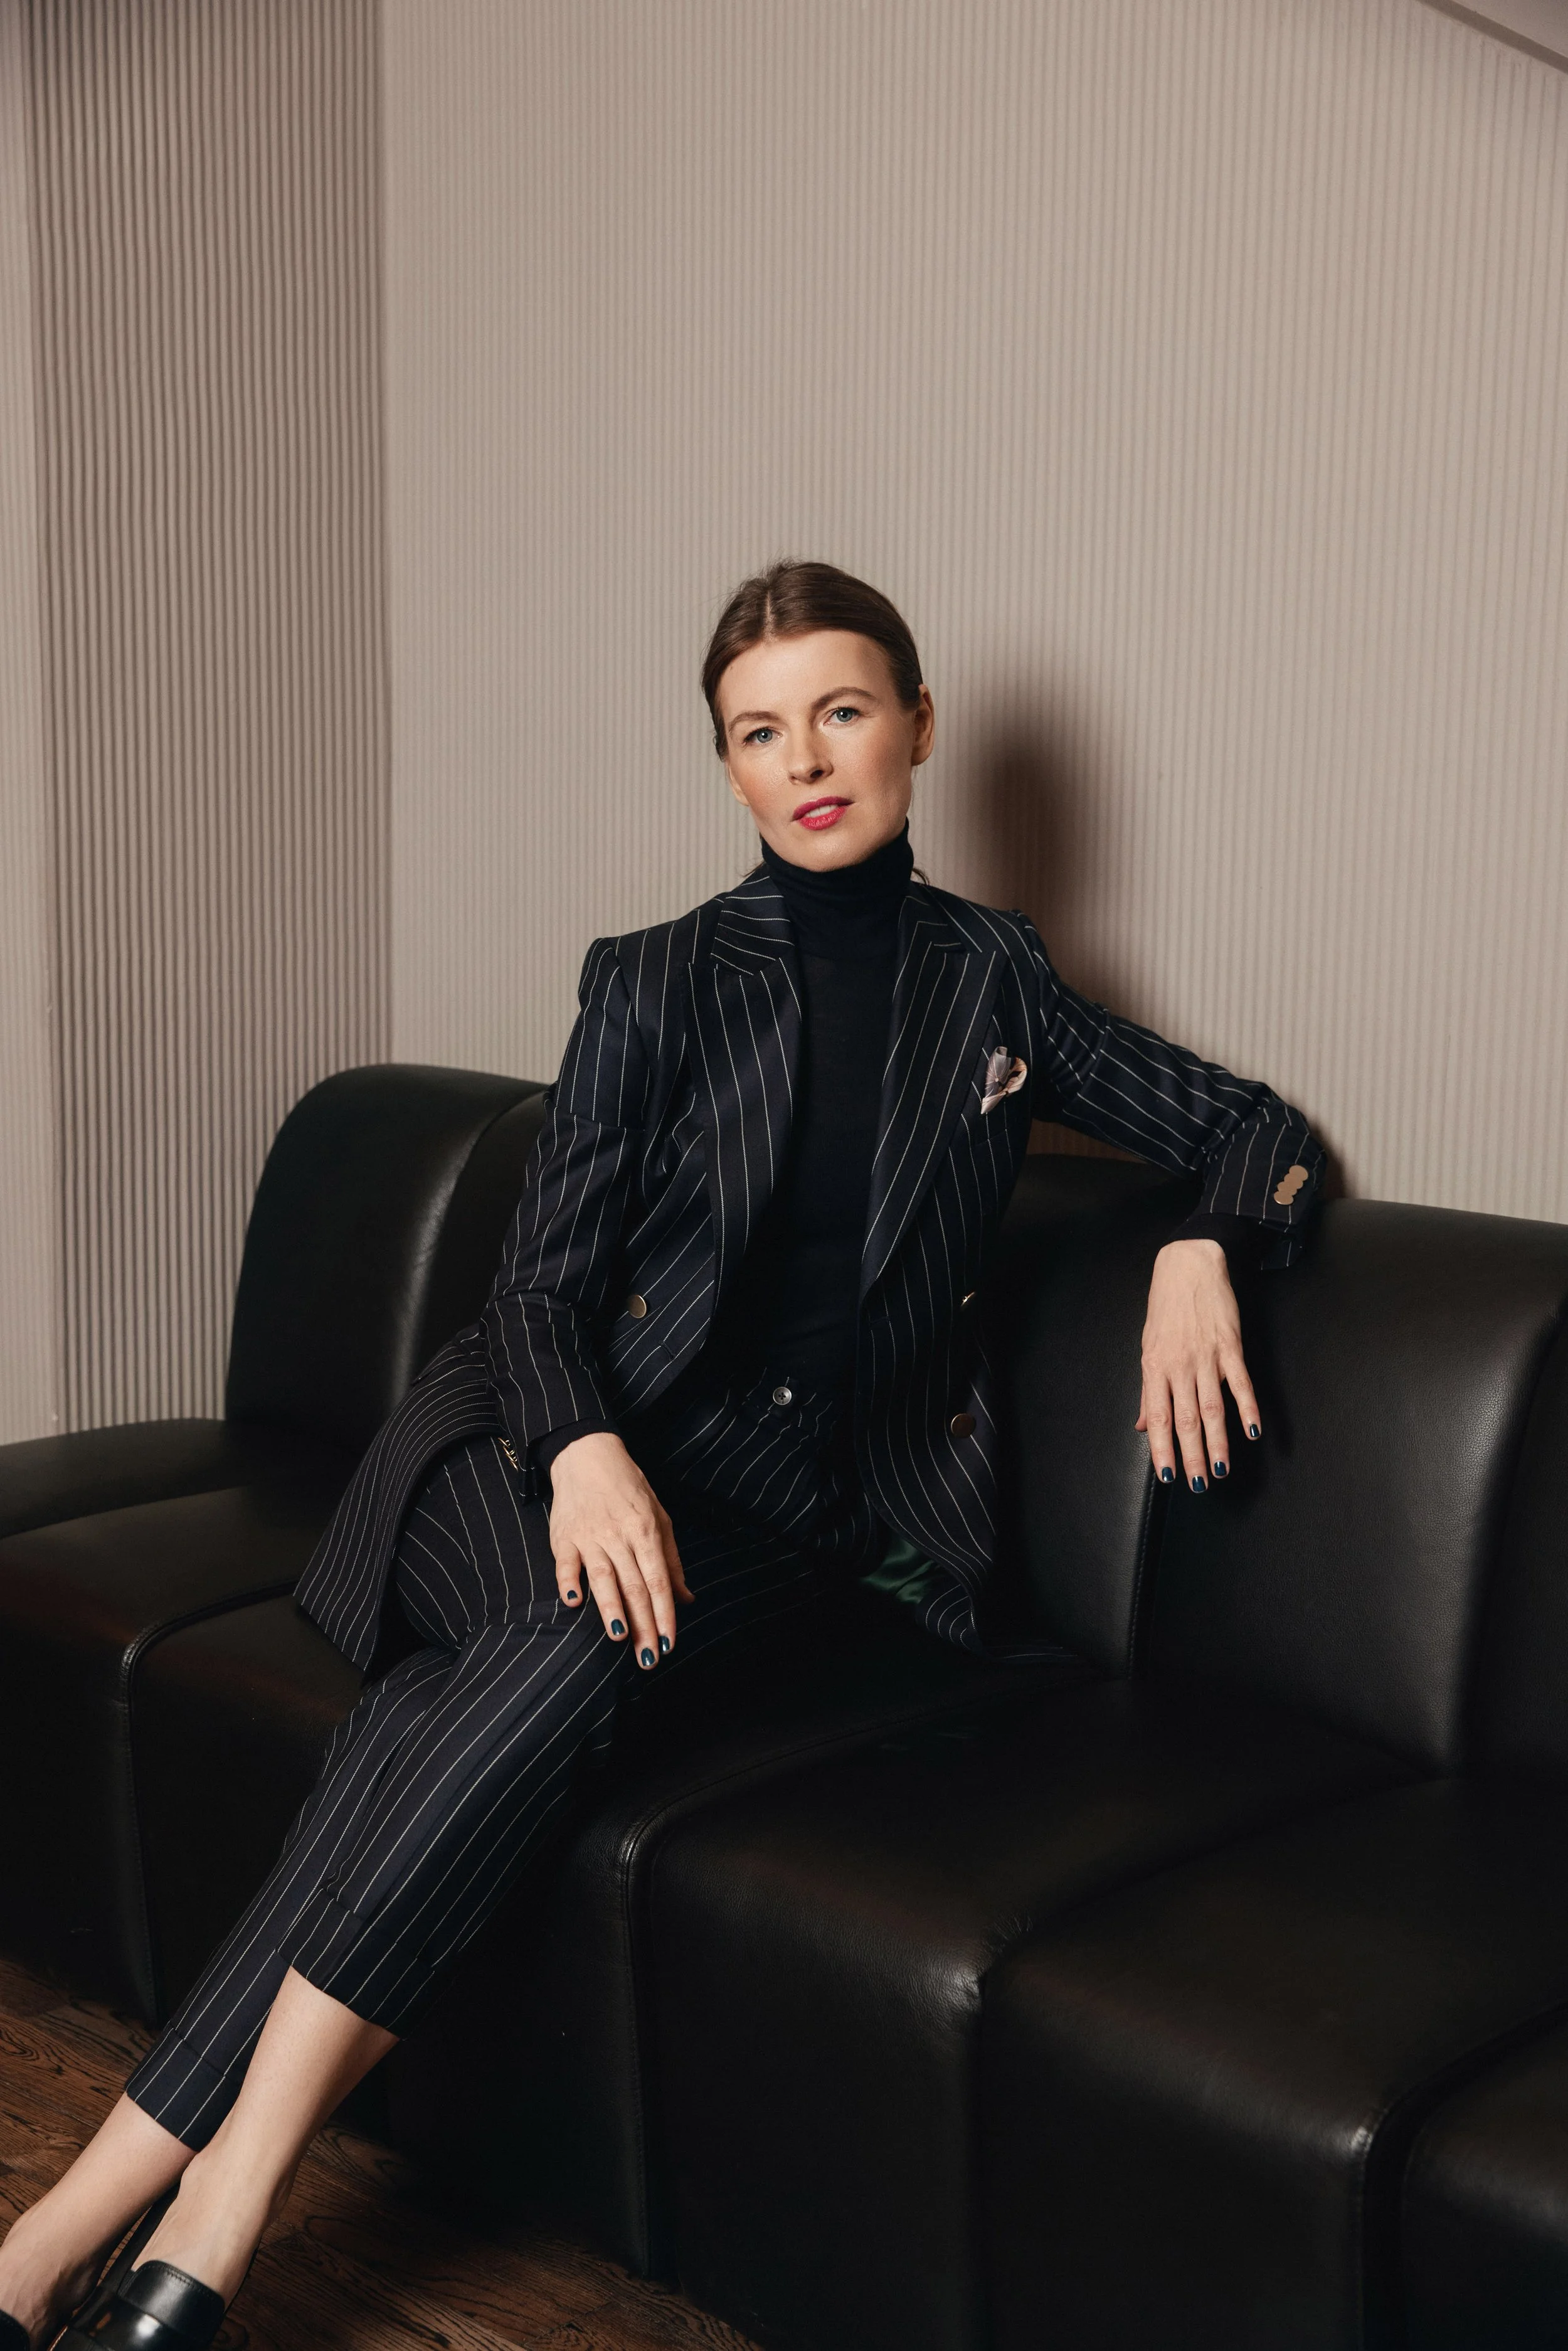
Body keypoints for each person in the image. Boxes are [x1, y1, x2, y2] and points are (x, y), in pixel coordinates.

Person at [0, 561, 1323, 2350]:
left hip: (783, 1529)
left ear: (918, 726)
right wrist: (584, 1453)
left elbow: (1246, 1125)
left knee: (452, 1710)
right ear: (727, 766)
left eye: (842, 712)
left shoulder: (991, 977)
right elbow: (537, 1289)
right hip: (523, 1448)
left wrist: (1201, 1246)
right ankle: (206, 2219)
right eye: (760, 733)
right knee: (563, 1636)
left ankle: (65, 2234)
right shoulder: (654, 981)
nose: (808, 761)